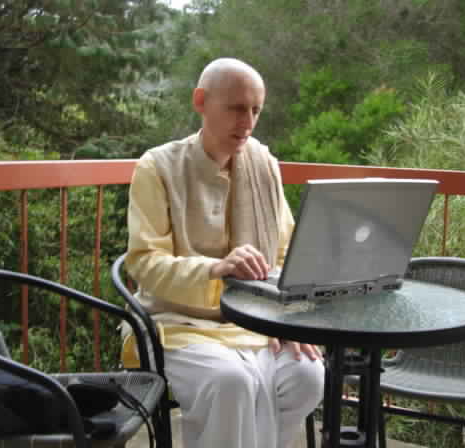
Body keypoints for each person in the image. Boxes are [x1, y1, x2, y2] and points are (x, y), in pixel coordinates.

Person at [124, 58, 324, 448]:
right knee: (231, 382)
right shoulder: (158, 166)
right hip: (176, 321)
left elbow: (285, 253)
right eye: (235, 108)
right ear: (200, 101)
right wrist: (215, 269)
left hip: (258, 319)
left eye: (255, 110)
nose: (247, 121)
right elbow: (145, 261)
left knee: (308, 376)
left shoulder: (264, 164)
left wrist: (290, 318)